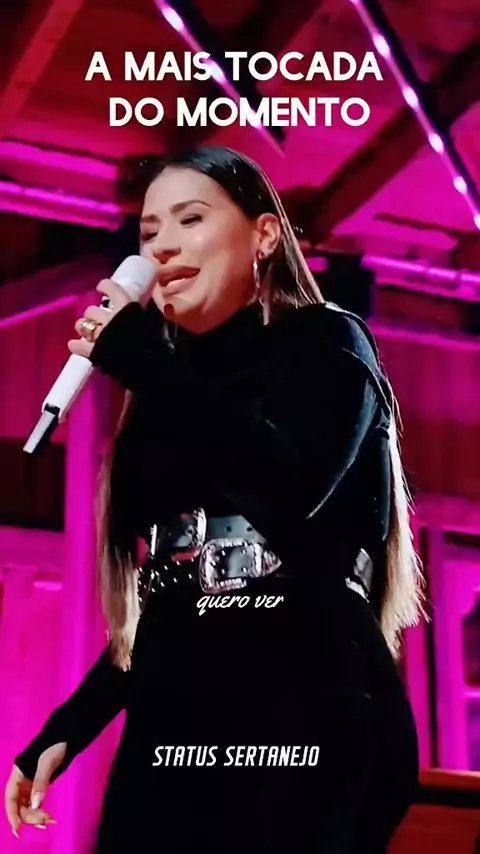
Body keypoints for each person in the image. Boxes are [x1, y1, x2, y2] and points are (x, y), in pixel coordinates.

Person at [5, 145, 423, 853]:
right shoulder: (167, 390)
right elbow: (182, 592)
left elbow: (289, 493)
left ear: (264, 236)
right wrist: (73, 724)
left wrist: (149, 364)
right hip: (175, 713)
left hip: (305, 699)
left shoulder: (328, 341)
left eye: (190, 219)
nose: (162, 245)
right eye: (148, 232)